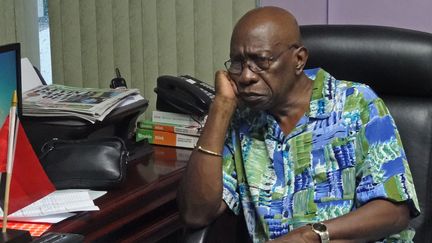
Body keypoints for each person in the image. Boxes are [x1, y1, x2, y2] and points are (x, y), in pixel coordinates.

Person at [177, 6, 420, 243]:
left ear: (299, 60)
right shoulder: (243, 119)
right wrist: (221, 107)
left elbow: (394, 211)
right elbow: (196, 214)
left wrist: (310, 235)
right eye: (238, 63)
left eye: (260, 61)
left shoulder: (356, 104)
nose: (246, 76)